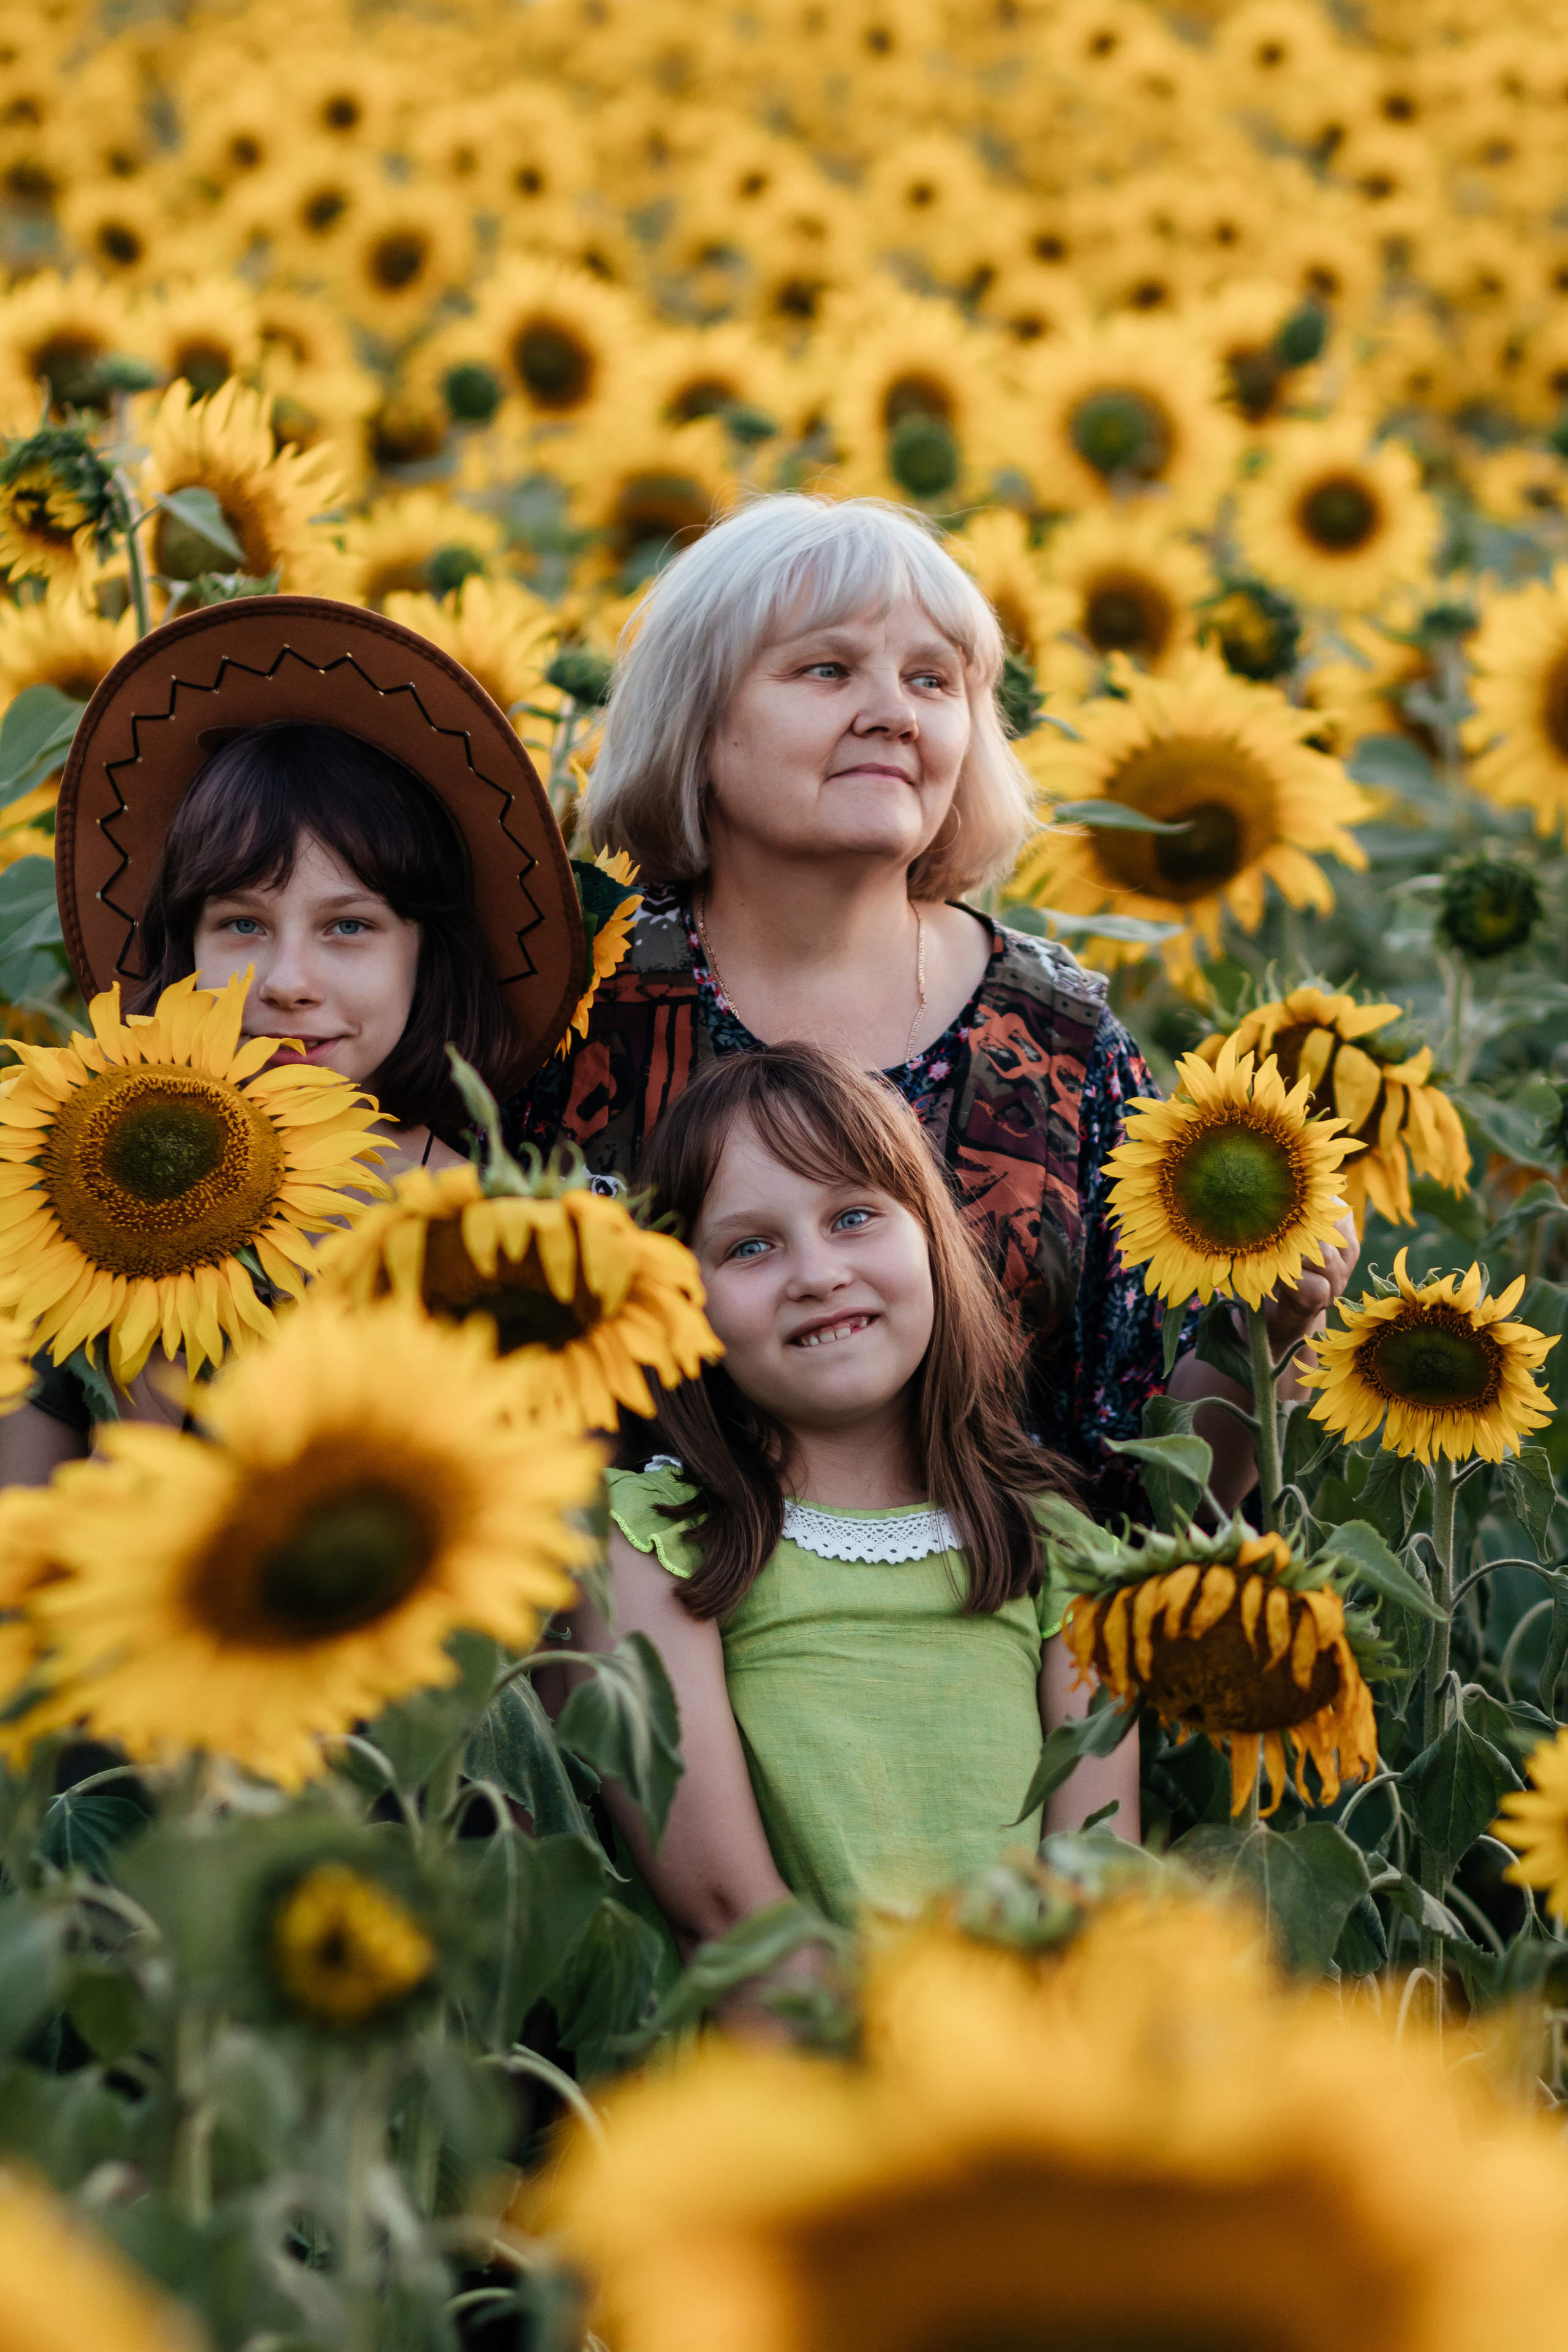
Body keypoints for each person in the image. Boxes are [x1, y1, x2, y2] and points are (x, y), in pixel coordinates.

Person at [513, 494, 1360, 1520]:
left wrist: (1261, 1338)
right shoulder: (576, 1000)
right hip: (642, 1651)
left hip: (1000, 1650)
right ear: (695, 721)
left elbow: (1150, 1491)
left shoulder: (1063, 1040)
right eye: (827, 670)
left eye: (932, 680)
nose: (894, 712)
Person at [560, 1044, 1141, 1958]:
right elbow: (725, 1911)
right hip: (789, 2061)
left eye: (855, 1216)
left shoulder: (1056, 1542)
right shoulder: (655, 1540)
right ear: (682, 1303)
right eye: (750, 1246)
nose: (818, 1272)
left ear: (933, 1240)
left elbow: (1102, 1872)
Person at [2, 593, 584, 1479]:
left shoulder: (490, 1234)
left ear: (427, 957)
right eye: (241, 925)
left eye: (349, 927)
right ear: (183, 946)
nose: (288, 984)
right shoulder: (68, 1200)